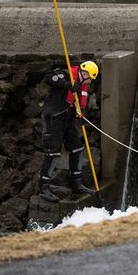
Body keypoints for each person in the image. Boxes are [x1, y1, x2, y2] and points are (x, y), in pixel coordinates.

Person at [39, 61, 99, 202]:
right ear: (84, 74)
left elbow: (81, 103)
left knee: (77, 148)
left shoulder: (83, 85)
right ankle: (44, 186)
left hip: (68, 118)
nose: (90, 81)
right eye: (89, 78)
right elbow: (49, 77)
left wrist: (82, 114)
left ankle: (76, 183)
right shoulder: (66, 74)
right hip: (54, 116)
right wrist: (67, 85)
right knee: (53, 152)